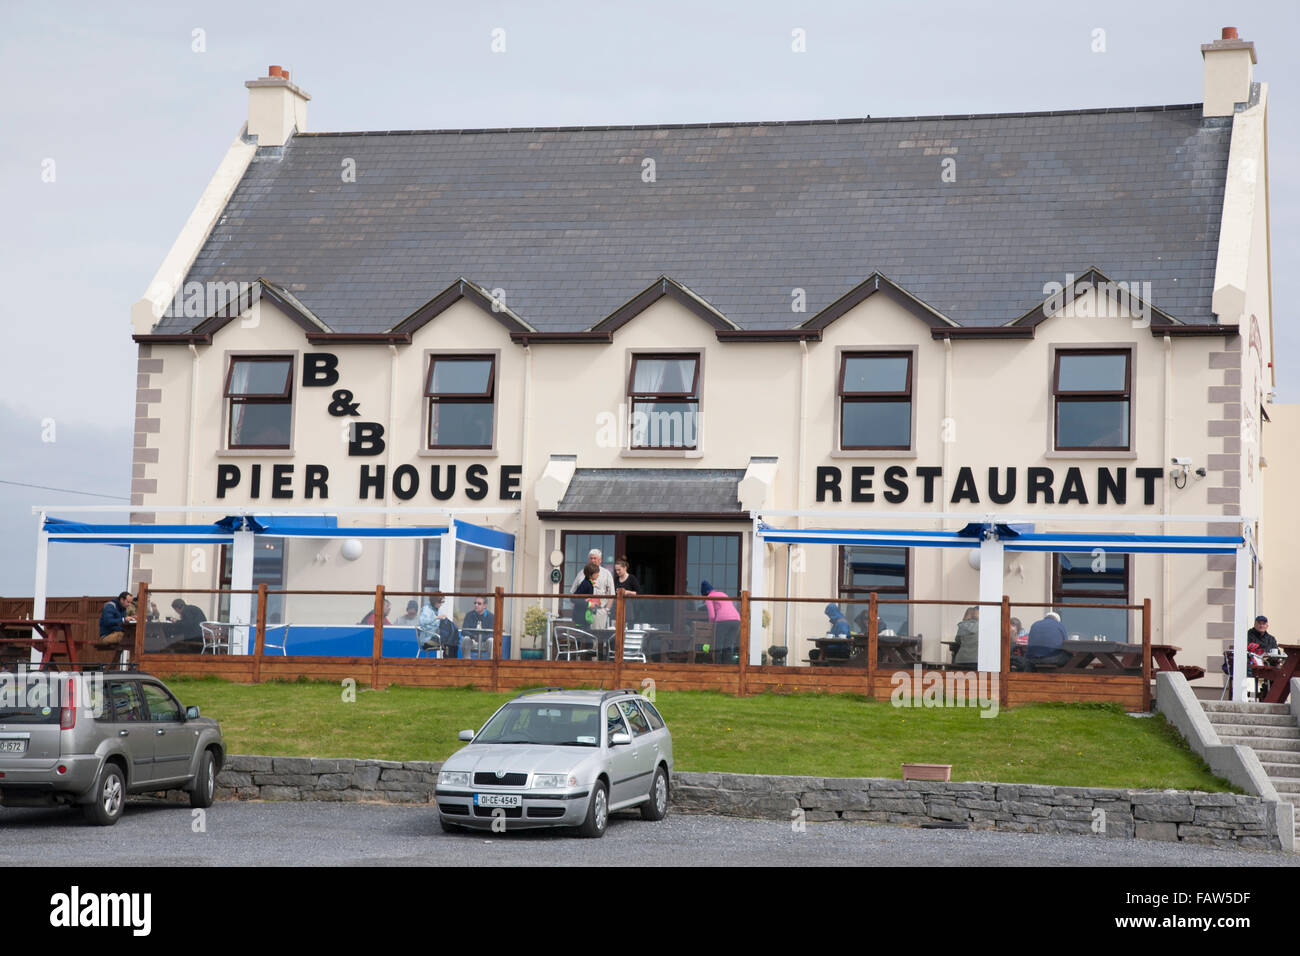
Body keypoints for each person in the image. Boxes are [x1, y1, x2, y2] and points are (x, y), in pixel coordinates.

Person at [572, 549, 614, 628]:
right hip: (583, 611)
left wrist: (606, 610)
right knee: (584, 636)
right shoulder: (581, 573)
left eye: (595, 558)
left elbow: (611, 594)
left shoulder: (607, 574)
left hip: (599, 611)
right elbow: (574, 593)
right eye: (591, 558)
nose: (593, 560)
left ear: (600, 560)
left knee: (598, 637)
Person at [701, 580, 740, 662]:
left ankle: (717, 667)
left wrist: (711, 626)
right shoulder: (724, 594)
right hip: (736, 620)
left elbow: (712, 615)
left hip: (723, 620)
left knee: (717, 645)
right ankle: (727, 668)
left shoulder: (709, 598)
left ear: (705, 594)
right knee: (728, 646)